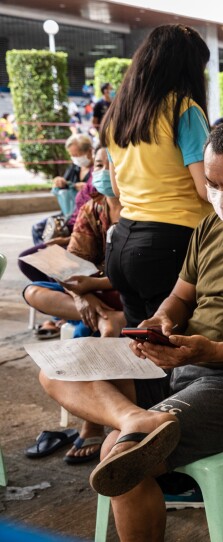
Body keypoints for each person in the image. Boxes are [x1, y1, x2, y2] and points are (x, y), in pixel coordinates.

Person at [39, 120, 223, 541]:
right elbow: (180, 297)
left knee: (121, 456)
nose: (220, 196)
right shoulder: (211, 226)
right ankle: (136, 419)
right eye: (212, 183)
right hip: (181, 361)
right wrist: (161, 321)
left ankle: (137, 430)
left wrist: (209, 352)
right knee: (58, 367)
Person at [100, 24, 213, 328]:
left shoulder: (117, 114)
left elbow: (116, 188)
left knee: (143, 356)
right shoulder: (183, 110)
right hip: (171, 246)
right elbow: (205, 189)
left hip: (122, 243)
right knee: (175, 355)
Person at [23, 147, 124, 464]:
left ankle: (92, 423)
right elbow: (72, 265)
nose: (103, 171)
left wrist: (93, 287)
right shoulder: (93, 210)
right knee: (33, 292)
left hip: (123, 292)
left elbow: (135, 275)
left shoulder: (144, 211)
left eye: (111, 165)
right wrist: (86, 295)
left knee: (84, 334)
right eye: (98, 165)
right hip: (94, 295)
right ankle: (106, 317)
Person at [30, 134, 97, 245]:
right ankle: (44, 256)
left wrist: (86, 187)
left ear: (89, 151)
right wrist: (59, 181)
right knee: (38, 229)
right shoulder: (74, 167)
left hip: (83, 216)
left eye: (77, 155)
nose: (75, 158)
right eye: (72, 155)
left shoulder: (96, 170)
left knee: (54, 236)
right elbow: (63, 185)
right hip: (68, 213)